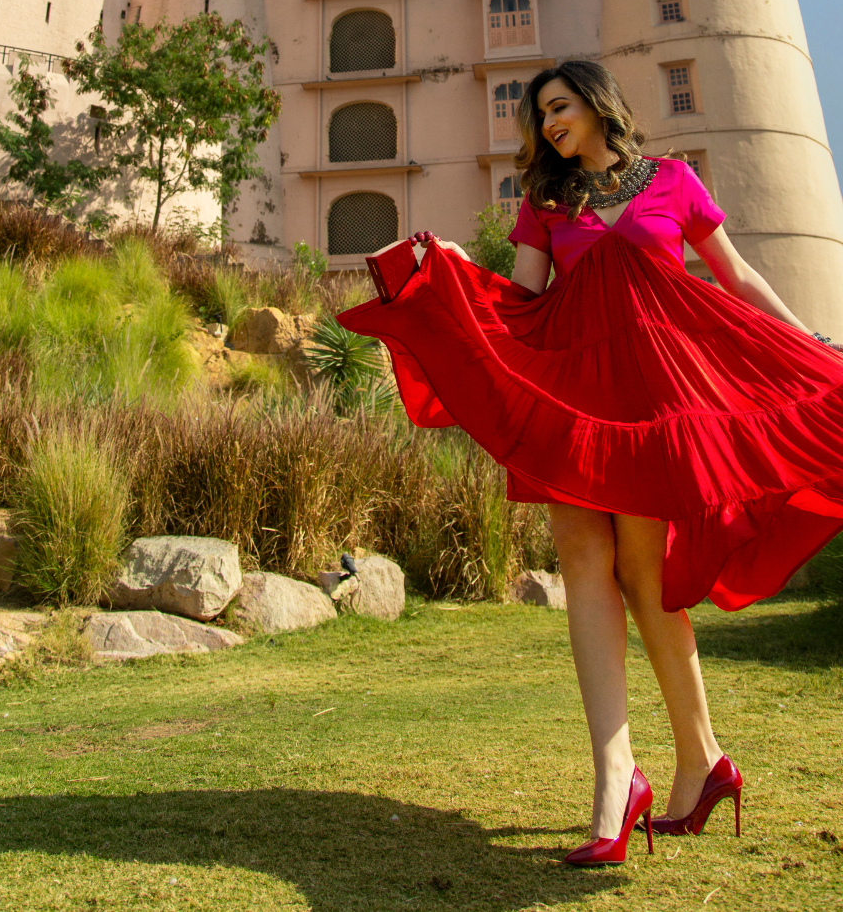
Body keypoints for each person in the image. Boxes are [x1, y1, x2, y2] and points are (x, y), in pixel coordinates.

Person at [339, 60, 843, 866]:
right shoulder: (546, 201)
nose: (548, 126)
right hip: (578, 398)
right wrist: (452, 275)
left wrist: (807, 342)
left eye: (559, 107)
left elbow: (735, 276)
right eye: (540, 116)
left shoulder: (673, 181)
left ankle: (702, 761)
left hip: (653, 399)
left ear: (598, 105)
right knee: (583, 560)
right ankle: (616, 777)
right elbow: (523, 301)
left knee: (647, 582)